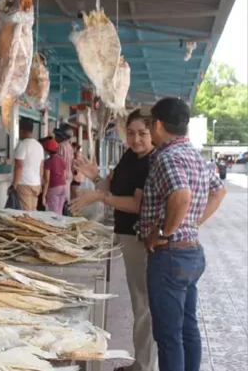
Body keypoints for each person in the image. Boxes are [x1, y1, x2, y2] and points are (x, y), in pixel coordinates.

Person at [137, 98, 227, 371]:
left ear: (159, 125)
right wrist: (192, 223)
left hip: (170, 255)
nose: (150, 129)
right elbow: (219, 190)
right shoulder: (193, 155)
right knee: (187, 329)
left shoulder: (168, 157)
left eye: (150, 124)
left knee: (168, 336)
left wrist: (165, 232)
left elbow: (182, 195)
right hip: (191, 252)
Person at [71, 110, 158, 371]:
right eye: (131, 133)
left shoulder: (152, 162)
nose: (136, 139)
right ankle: (140, 363)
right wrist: (95, 177)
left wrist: (100, 198)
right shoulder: (130, 156)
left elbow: (136, 204)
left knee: (144, 306)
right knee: (138, 302)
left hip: (140, 238)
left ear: (154, 131)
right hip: (125, 235)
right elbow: (112, 186)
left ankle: (144, 365)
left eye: (143, 133)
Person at [12, 118, 44, 211]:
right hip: (36, 184)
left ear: (21, 131)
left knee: (26, 215)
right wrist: (40, 183)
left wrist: (14, 185)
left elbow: (19, 166)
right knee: (33, 212)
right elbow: (42, 166)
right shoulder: (39, 146)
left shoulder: (22, 145)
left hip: (24, 184)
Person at [41, 138, 68, 214]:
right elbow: (64, 176)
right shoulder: (62, 160)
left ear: (47, 150)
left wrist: (43, 196)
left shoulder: (48, 162)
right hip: (63, 187)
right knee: (60, 211)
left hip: (54, 188)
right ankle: (61, 225)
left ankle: (56, 225)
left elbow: (47, 180)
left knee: (54, 213)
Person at [54, 125, 75, 200]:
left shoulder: (60, 146)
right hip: (69, 176)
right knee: (66, 200)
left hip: (61, 177)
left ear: (62, 136)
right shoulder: (70, 147)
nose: (55, 138)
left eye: (57, 136)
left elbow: (59, 163)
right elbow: (73, 164)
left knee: (59, 201)